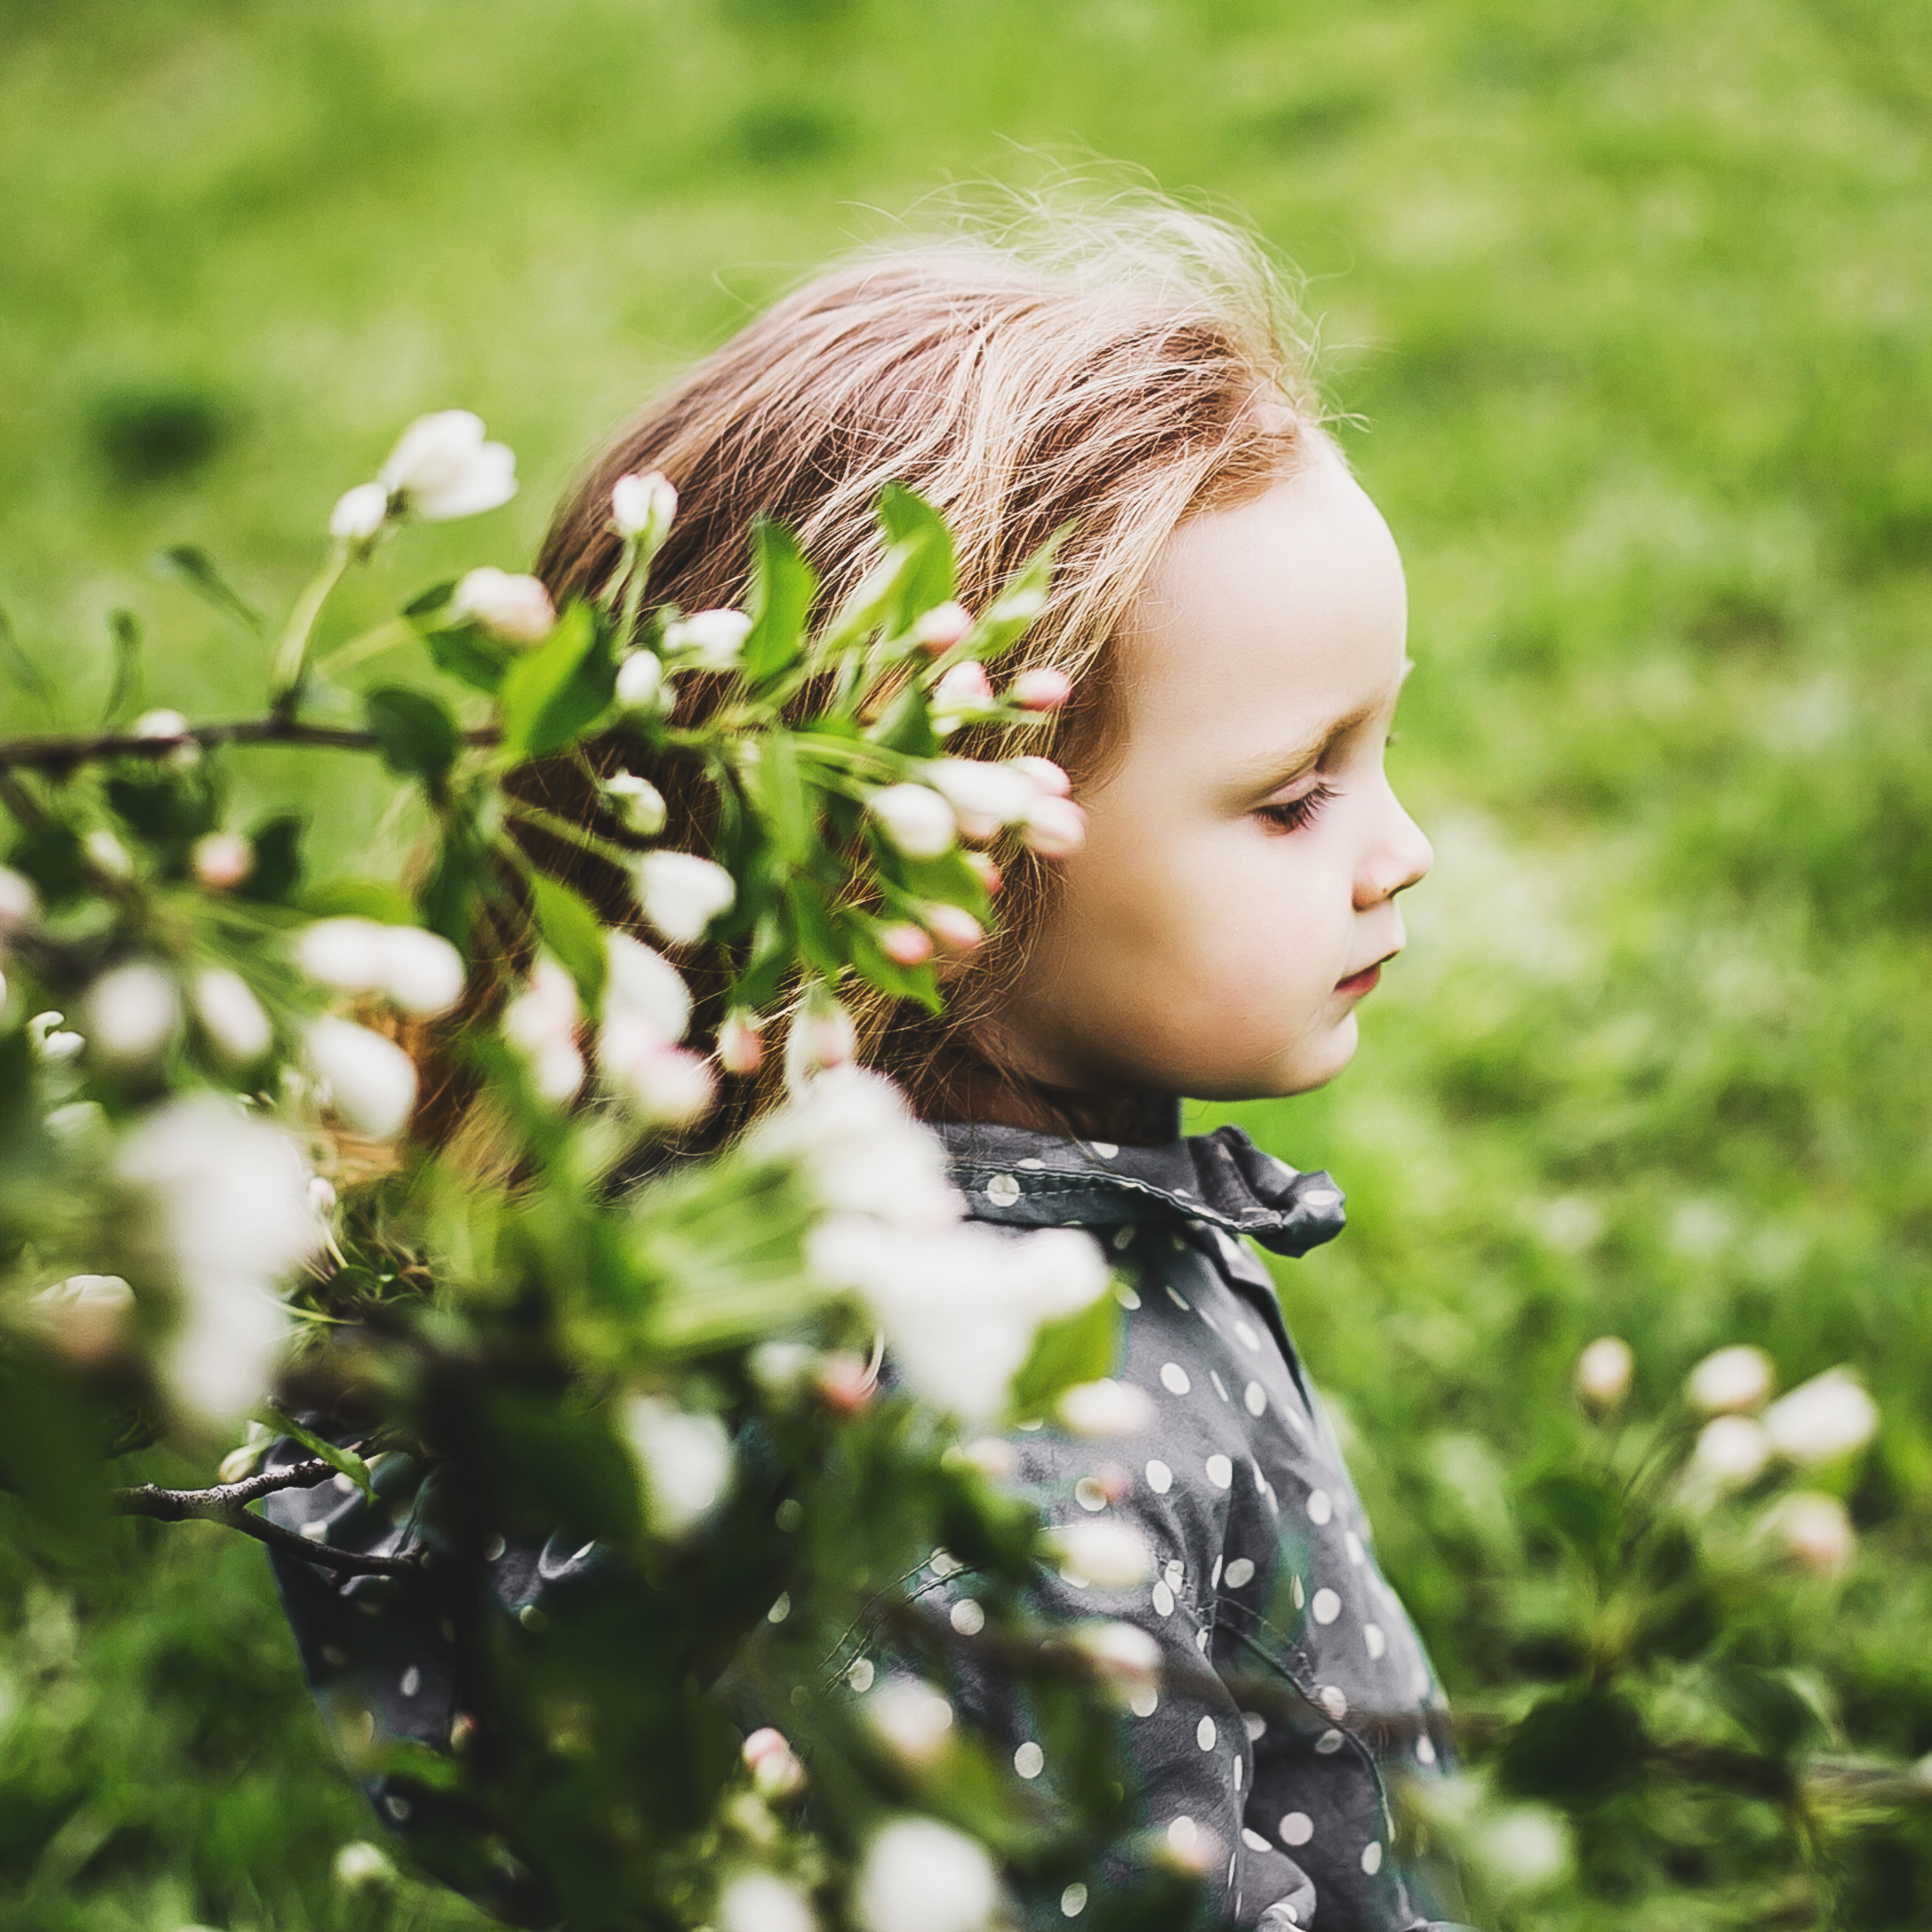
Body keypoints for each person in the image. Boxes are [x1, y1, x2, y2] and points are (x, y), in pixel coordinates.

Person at [267, 192, 1456, 1929]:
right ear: (928, 867)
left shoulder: (702, 1210)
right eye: (1293, 794)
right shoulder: (1004, 1474)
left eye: (1380, 745)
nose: (1397, 846)